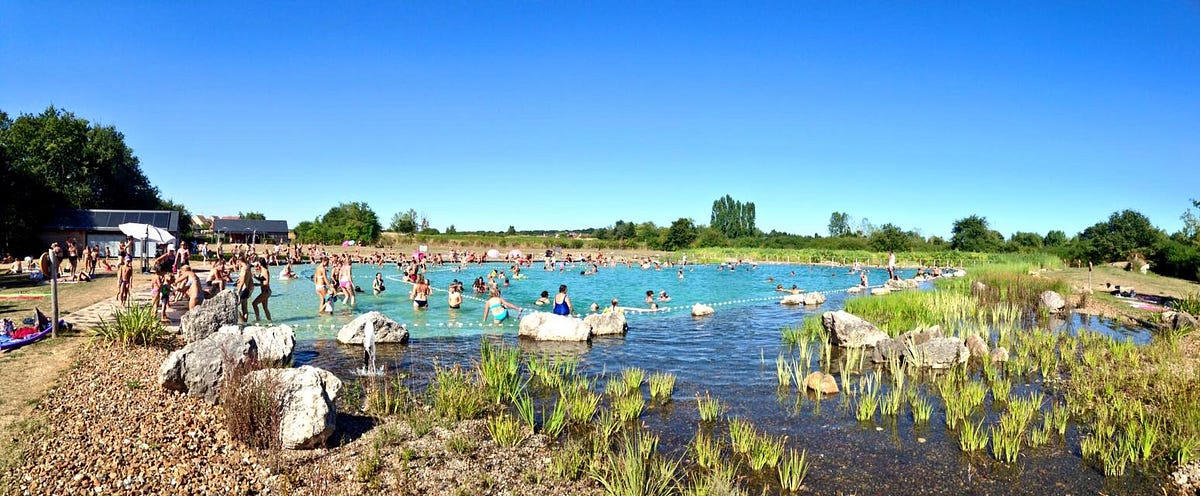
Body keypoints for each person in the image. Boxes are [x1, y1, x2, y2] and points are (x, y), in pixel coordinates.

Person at [235, 257, 254, 322]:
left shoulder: (243, 269)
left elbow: (242, 281)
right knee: (245, 309)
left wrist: (238, 292)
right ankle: (245, 323)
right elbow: (250, 280)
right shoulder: (248, 267)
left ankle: (242, 322)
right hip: (247, 289)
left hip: (243, 290)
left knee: (235, 307)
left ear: (239, 261)